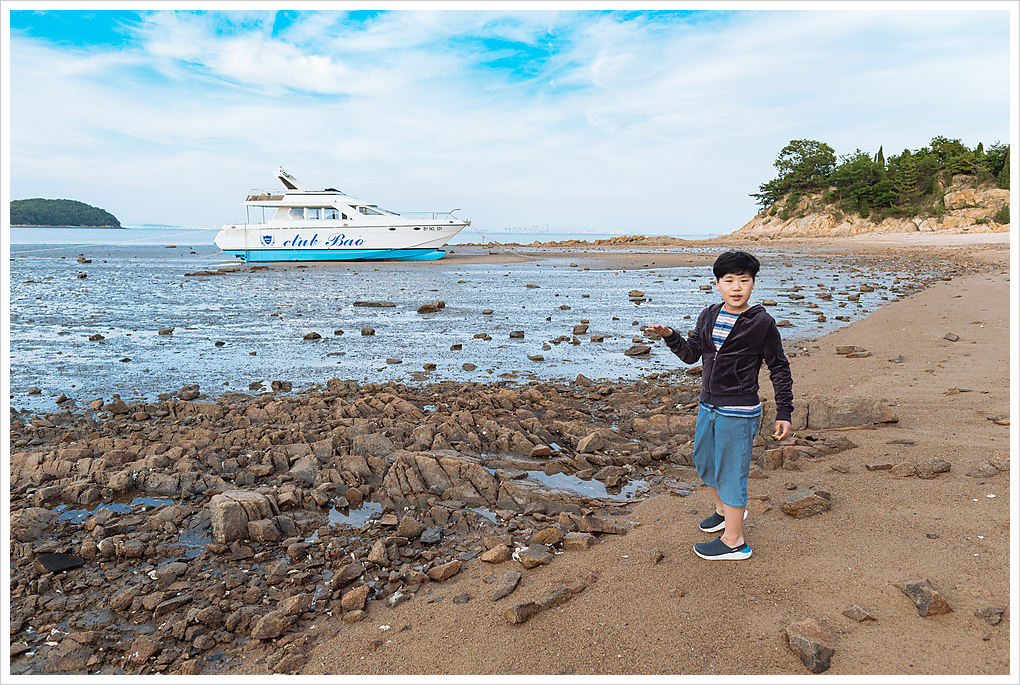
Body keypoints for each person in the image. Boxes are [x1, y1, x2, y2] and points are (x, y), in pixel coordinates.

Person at [646, 250, 793, 560]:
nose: (736, 287)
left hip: (739, 411)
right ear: (717, 284)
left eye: (744, 280)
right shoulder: (709, 314)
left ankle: (735, 541)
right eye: (729, 280)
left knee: (731, 473)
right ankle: (724, 511)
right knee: (705, 463)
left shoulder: (762, 323)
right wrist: (670, 336)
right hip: (708, 406)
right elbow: (691, 355)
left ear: (753, 284)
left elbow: (779, 367)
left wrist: (784, 411)